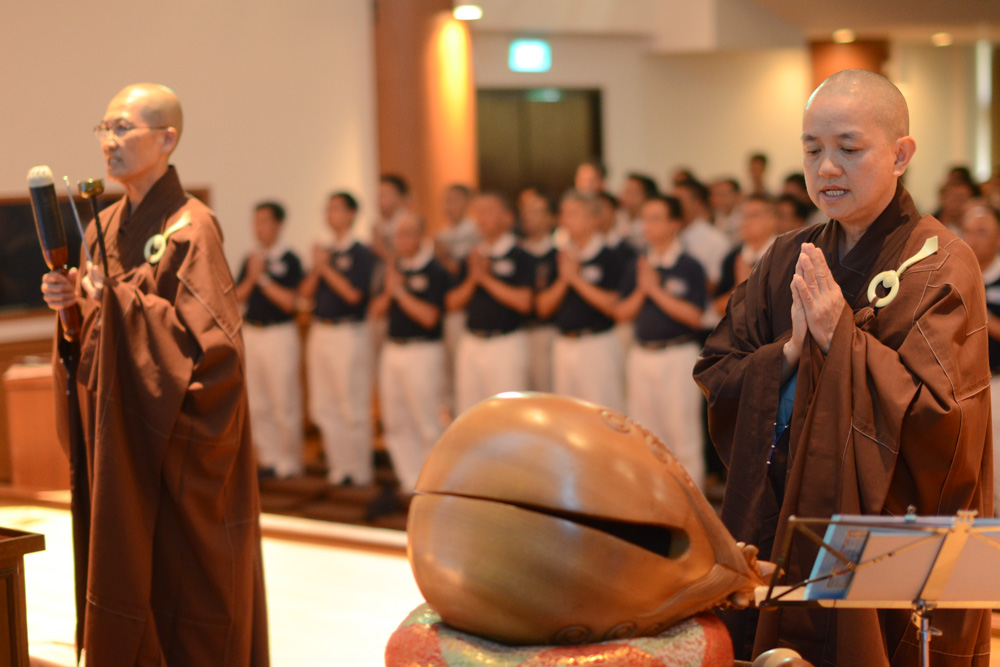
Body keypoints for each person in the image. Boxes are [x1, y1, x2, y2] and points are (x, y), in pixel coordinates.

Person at [694, 69, 991, 665]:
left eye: (849, 149)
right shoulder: (787, 256)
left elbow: (945, 421)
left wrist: (841, 338)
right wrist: (788, 354)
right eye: (813, 150)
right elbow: (718, 370)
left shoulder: (940, 265)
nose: (827, 167)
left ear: (901, 155)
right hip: (784, 514)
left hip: (881, 537)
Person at [41, 83, 268, 664]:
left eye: (123, 128)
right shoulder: (101, 227)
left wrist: (116, 303)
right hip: (123, 439)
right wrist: (71, 309)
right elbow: (93, 340)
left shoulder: (193, 229)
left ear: (167, 140)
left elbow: (214, 356)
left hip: (170, 447)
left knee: (180, 586)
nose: (108, 141)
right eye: (104, 129)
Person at [616, 195, 706, 489]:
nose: (648, 226)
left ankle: (692, 507)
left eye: (656, 218)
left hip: (677, 354)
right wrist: (643, 290)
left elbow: (694, 316)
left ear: (674, 224)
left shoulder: (689, 265)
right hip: (642, 354)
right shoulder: (638, 264)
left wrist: (655, 290)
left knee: (683, 436)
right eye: (645, 219)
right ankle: (652, 501)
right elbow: (621, 312)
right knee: (644, 435)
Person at [299, 191, 378, 486]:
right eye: (327, 209)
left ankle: (359, 470)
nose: (329, 214)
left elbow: (354, 295)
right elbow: (304, 294)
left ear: (351, 214)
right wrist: (318, 266)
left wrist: (324, 268)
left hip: (349, 332)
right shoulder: (325, 252)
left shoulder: (362, 253)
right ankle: (338, 467)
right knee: (324, 404)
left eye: (336, 209)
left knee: (351, 403)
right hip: (320, 330)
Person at [370, 212, 451, 492]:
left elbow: (430, 318)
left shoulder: (435, 270)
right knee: (395, 420)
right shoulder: (392, 269)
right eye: (397, 235)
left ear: (420, 236)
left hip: (423, 350)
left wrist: (401, 293)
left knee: (427, 420)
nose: (400, 240)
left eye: (406, 234)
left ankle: (434, 484)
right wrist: (390, 290)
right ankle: (409, 480)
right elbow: (376, 311)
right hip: (393, 349)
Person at [235, 201, 304, 479]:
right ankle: (268, 458)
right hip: (253, 332)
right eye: (256, 222)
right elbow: (236, 297)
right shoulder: (250, 259)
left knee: (283, 400)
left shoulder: (290, 259)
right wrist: (252, 277)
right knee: (257, 402)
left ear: (278, 224)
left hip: (280, 334)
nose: (258, 228)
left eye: (264, 221)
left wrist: (262, 278)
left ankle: (289, 460)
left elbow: (290, 302)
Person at [446, 193, 534, 414]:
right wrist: (473, 278)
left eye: (488, 212)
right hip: (472, 341)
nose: (481, 218)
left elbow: (524, 302)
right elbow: (452, 302)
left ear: (507, 218)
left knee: (508, 412)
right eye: (478, 213)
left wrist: (486, 279)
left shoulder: (520, 255)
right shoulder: (473, 256)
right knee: (471, 411)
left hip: (505, 343)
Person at [537, 190, 624, 412]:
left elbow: (613, 306)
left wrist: (576, 279)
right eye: (564, 214)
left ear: (593, 219)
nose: (566, 220)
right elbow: (543, 308)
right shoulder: (558, 256)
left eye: (574, 214)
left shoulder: (610, 257)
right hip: (563, 343)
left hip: (596, 344)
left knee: (602, 412)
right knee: (567, 414)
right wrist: (564, 279)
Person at [960, 202, 1000, 515]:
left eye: (982, 232)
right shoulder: (956, 271)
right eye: (968, 232)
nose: (973, 239)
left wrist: (980, 313)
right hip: (960, 386)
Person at [518, 188, 559, 392]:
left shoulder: (558, 255)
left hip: (546, 331)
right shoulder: (517, 252)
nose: (528, 217)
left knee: (544, 390)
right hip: (517, 332)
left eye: (536, 212)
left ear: (551, 218)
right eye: (526, 211)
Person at [712, 195, 778, 317]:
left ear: (771, 219)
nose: (745, 222)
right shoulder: (733, 257)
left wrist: (748, 286)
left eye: (753, 216)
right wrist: (740, 288)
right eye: (743, 216)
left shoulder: (784, 254)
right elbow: (718, 307)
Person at [674, 178, 730, 294]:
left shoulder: (715, 240)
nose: (673, 207)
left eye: (679, 201)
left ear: (697, 203)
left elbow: (714, 282)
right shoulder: (667, 235)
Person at [372, 174, 411, 259]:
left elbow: (406, 257)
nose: (379, 200)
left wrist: (380, 247)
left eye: (384, 195)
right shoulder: (380, 225)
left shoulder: (409, 224)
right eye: (379, 195)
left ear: (400, 197)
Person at [618, 172, 659, 247]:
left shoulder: (651, 224)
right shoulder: (618, 218)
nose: (624, 196)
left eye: (631, 192)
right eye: (624, 191)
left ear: (646, 196)